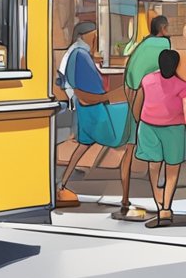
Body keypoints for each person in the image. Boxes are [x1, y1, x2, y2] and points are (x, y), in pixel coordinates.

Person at [57, 21, 132, 206]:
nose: (96, 38)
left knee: (83, 146)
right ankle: (125, 194)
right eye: (94, 34)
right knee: (128, 124)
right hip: (95, 110)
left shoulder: (78, 53)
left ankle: (63, 184)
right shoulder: (81, 55)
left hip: (88, 109)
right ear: (86, 35)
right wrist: (109, 97)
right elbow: (87, 91)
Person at [118, 15, 176, 218]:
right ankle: (162, 202)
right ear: (163, 28)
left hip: (135, 101)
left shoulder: (141, 46)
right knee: (160, 156)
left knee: (129, 152)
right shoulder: (164, 44)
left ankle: (125, 198)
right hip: (152, 106)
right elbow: (168, 73)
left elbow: (130, 78)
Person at [132, 49, 186, 228]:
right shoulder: (181, 85)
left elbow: (136, 105)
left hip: (148, 127)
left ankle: (160, 204)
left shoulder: (147, 80)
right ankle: (166, 209)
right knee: (172, 171)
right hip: (174, 130)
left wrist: (140, 120)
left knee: (154, 169)